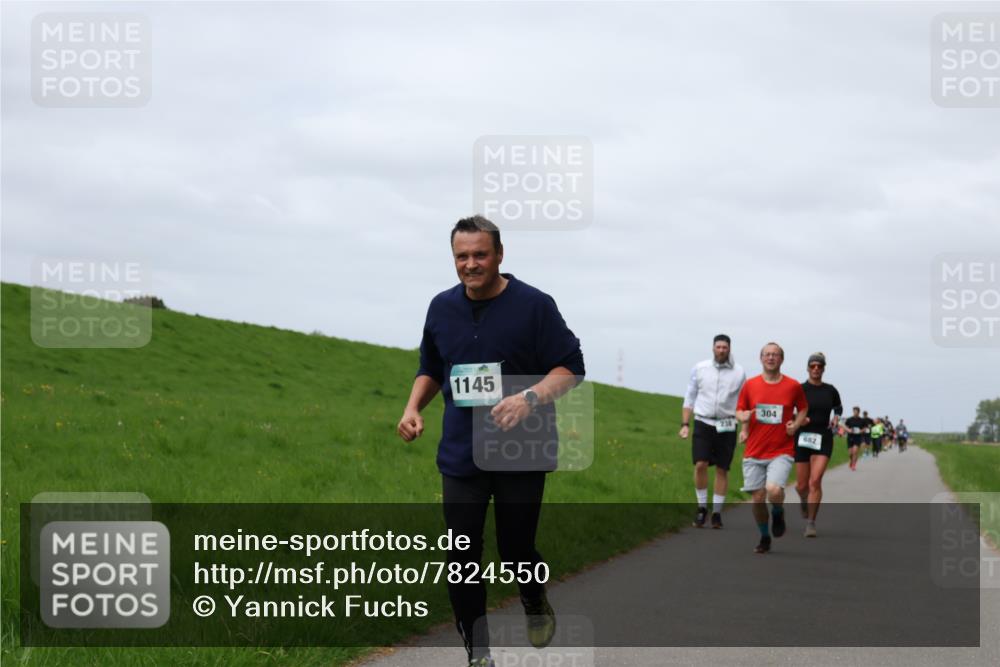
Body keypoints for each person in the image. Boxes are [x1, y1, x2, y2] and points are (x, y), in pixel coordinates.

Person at [397, 216, 585, 667]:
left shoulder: (535, 306)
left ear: (500, 254)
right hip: (462, 452)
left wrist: (529, 398)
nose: (471, 264)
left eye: (480, 254)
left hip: (523, 449)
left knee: (516, 547)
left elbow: (571, 368)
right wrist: (411, 409)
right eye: (462, 256)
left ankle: (534, 597)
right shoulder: (441, 308)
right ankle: (478, 655)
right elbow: (431, 367)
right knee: (461, 553)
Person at [736, 342, 809, 554]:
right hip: (754, 451)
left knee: (774, 490)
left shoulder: (793, 386)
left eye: (775, 355)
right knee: (757, 499)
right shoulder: (750, 385)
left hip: (781, 450)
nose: (771, 358)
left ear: (781, 360)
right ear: (761, 358)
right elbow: (739, 410)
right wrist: (744, 417)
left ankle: (778, 511)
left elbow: (803, 408)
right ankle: (765, 536)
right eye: (767, 354)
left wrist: (795, 425)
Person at [678, 334, 747, 529]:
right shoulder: (700, 369)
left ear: (729, 349)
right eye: (718, 347)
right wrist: (685, 424)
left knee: (722, 469)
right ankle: (701, 508)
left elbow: (744, 402)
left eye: (725, 347)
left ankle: (716, 512)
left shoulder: (739, 372)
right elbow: (690, 397)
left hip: (727, 424)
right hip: (703, 422)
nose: (721, 350)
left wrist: (744, 428)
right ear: (713, 348)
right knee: (700, 464)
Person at [794, 352, 843, 538]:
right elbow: (790, 409)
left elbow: (838, 407)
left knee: (815, 481)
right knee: (801, 485)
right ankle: (803, 500)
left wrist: (836, 417)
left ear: (823, 369)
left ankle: (811, 523)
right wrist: (798, 419)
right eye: (813, 366)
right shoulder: (799, 389)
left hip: (823, 436)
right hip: (803, 436)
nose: (816, 369)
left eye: (819, 366)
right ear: (807, 368)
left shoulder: (830, 390)